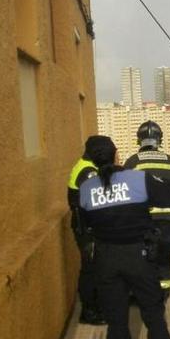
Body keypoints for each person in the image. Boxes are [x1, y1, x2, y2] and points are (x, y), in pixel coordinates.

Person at [77, 136, 170, 339]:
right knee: (154, 317)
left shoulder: (85, 189)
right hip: (139, 257)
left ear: (90, 159)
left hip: (106, 261)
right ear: (116, 156)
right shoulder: (137, 180)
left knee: (117, 326)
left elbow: (86, 223)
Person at [123, 121, 170, 296]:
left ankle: (142, 292)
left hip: (145, 219)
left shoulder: (133, 162)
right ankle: (164, 291)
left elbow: (125, 193)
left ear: (139, 140)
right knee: (164, 259)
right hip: (168, 219)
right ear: (159, 139)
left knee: (143, 258)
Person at [66, 136, 112, 325]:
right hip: (87, 229)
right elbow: (95, 202)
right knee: (91, 270)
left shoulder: (86, 165)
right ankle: (90, 311)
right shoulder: (89, 172)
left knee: (93, 268)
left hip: (85, 226)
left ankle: (94, 306)